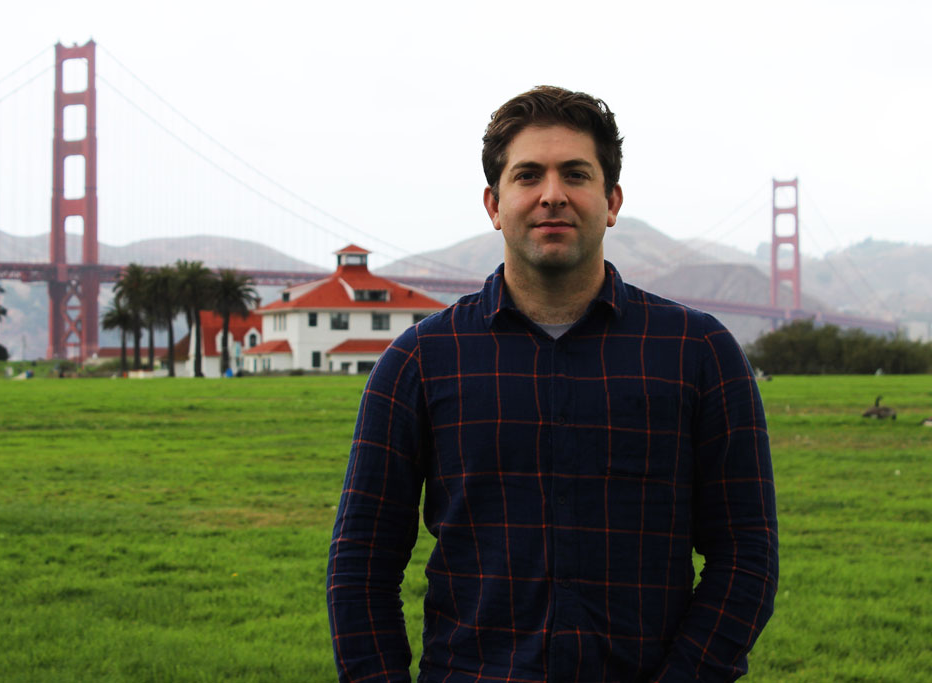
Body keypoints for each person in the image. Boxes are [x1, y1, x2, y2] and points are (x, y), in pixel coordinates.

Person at [327, 85, 778, 682]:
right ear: (493, 204)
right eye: (527, 176)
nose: (552, 195)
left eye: (576, 174)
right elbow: (360, 567)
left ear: (611, 200)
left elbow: (747, 556)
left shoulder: (699, 353)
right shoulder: (418, 361)